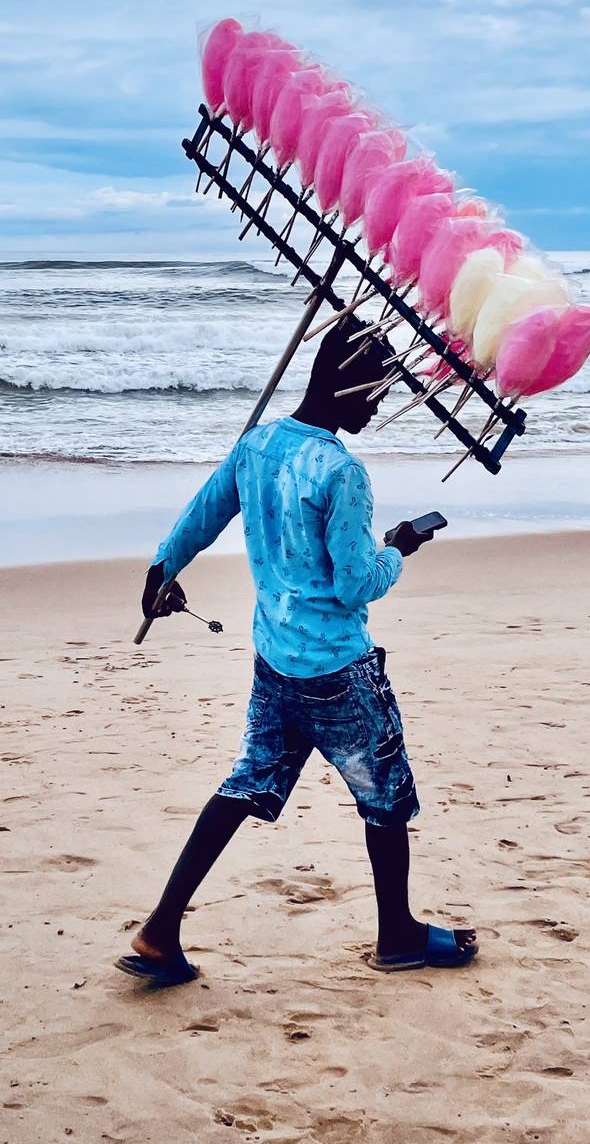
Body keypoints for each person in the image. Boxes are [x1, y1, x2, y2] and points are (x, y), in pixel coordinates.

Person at [115, 319, 477, 988]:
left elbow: (203, 513)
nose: (376, 407)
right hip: (339, 670)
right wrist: (398, 550)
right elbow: (355, 584)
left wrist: (163, 566)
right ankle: (397, 934)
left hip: (276, 661)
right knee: (386, 797)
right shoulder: (342, 471)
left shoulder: (256, 446)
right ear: (346, 387)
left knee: (244, 784)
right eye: (373, 393)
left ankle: (161, 929)